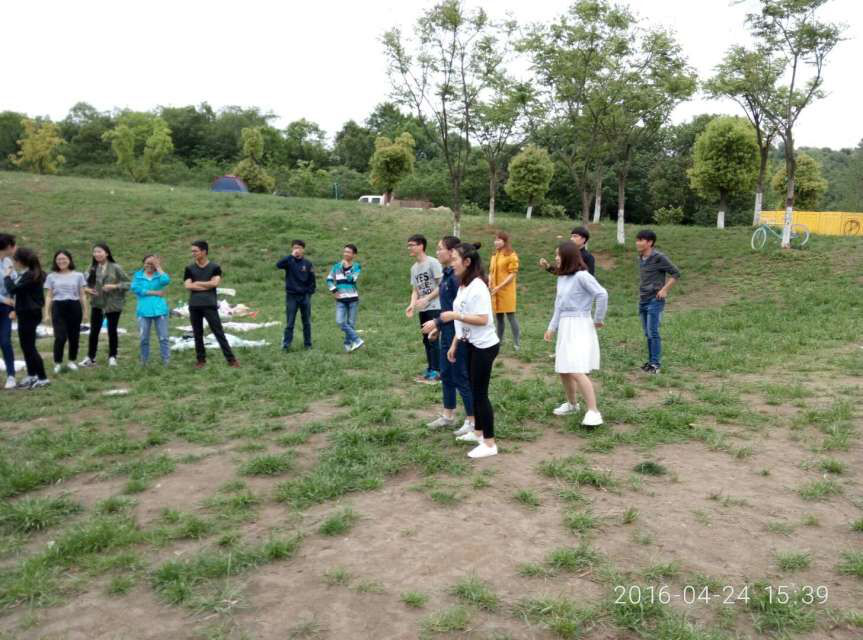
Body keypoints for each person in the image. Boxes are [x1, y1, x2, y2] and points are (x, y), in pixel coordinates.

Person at [438, 243, 499, 459]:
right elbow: (463, 317)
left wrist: (455, 316)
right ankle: (478, 433)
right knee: (474, 390)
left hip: (485, 347)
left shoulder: (478, 286)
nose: (452, 263)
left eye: (455, 259)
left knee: (480, 395)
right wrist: (455, 343)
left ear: (467, 262)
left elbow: (483, 319)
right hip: (470, 343)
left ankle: (490, 444)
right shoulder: (464, 285)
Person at [544, 242, 608, 427]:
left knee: (576, 369)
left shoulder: (582, 276)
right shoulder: (562, 277)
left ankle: (593, 411)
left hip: (579, 325)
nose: (556, 258)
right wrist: (552, 327)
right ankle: (572, 404)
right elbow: (558, 305)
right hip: (566, 326)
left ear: (568, 256)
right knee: (564, 369)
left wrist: (598, 318)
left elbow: (602, 294)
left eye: (558, 255)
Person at [421, 236, 475, 434]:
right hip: (447, 330)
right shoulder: (447, 273)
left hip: (458, 333)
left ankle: (472, 420)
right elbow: (447, 309)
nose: (437, 252)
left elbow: (458, 310)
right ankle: (448, 415)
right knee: (446, 374)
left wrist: (437, 323)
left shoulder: (456, 278)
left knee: (460, 375)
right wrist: (439, 327)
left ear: (452, 252)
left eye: (440, 248)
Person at [184, 240, 239, 368]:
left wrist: (197, 283)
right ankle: (201, 360)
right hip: (194, 305)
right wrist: (206, 285)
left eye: (195, 251)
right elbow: (188, 286)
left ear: (204, 251)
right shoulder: (189, 268)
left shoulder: (215, 267)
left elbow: (215, 283)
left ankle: (231, 360)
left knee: (218, 332)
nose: (193, 253)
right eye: (192, 251)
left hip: (209, 304)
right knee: (197, 334)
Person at [3, 248, 49, 389]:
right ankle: (31, 374)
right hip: (26, 312)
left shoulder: (31, 275)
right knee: (26, 346)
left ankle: (42, 378)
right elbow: (20, 294)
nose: (14, 263)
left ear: (21, 261)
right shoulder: (29, 273)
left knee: (29, 347)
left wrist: (7, 276)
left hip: (29, 313)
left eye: (15, 260)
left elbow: (13, 290)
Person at [635, 229, 680, 374]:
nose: (637, 243)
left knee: (653, 332)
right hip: (643, 299)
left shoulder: (659, 257)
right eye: (637, 240)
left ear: (650, 242)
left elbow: (676, 273)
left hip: (655, 300)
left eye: (641, 240)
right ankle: (651, 362)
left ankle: (656, 364)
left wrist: (665, 289)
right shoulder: (641, 257)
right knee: (647, 333)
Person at [80, 243, 129, 367]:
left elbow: (128, 284)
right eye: (95, 252)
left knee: (112, 331)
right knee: (94, 331)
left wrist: (114, 286)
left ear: (106, 253)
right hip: (97, 303)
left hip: (113, 304)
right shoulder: (91, 268)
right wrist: (87, 289)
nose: (97, 254)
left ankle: (112, 357)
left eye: (99, 251)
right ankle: (90, 357)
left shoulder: (115, 267)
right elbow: (83, 284)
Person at [405, 234, 442, 384]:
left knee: (433, 338)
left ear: (421, 246)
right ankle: (431, 368)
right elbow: (415, 290)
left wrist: (427, 298)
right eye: (408, 245)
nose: (409, 248)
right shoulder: (414, 268)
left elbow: (442, 285)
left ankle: (438, 372)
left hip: (436, 306)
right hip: (423, 309)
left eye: (412, 245)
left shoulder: (433, 263)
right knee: (426, 340)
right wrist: (412, 304)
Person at [44, 250, 87, 374]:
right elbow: (49, 296)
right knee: (60, 337)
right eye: (58, 259)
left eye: (64, 259)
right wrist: (46, 313)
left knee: (74, 336)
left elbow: (82, 295)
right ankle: (57, 362)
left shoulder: (78, 275)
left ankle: (72, 361)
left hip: (74, 306)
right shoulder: (51, 276)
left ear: (69, 260)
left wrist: (85, 312)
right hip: (58, 307)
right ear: (55, 261)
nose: (61, 261)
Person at [131, 254, 171, 365]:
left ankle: (166, 360)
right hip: (143, 311)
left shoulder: (159, 275)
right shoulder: (138, 275)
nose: (149, 265)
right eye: (147, 263)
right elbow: (136, 289)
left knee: (163, 337)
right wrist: (155, 292)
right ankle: (144, 360)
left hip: (160, 310)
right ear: (143, 264)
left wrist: (158, 267)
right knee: (144, 338)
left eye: (152, 264)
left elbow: (166, 281)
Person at [276, 240, 316, 351]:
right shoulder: (289, 261)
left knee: (306, 322)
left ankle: (308, 344)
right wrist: (290, 256)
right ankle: (286, 345)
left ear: (303, 249)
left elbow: (312, 280)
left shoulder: (308, 263)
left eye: (298, 248)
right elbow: (278, 265)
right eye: (294, 248)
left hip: (305, 296)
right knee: (290, 322)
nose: (296, 250)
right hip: (291, 296)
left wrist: (309, 293)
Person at [326, 244, 363, 352]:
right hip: (340, 299)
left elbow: (351, 279)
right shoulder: (336, 266)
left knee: (351, 323)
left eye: (348, 252)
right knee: (339, 321)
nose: (345, 254)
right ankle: (357, 340)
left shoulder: (357, 266)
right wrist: (334, 290)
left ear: (354, 255)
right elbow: (329, 279)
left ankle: (348, 345)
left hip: (353, 299)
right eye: (345, 251)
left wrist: (344, 268)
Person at [489, 231, 521, 351]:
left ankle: (517, 342)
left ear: (505, 241)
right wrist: (490, 281)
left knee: (511, 316)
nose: (496, 242)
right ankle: (499, 341)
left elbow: (513, 273)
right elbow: (491, 271)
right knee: (499, 317)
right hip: (495, 290)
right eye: (495, 239)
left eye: (499, 240)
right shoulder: (494, 255)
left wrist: (500, 286)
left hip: (506, 291)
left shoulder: (511, 255)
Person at [0, 234, 17, 389]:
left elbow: (13, 284)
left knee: (5, 341)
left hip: (6, 309)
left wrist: (13, 307)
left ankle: (11, 375)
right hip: (3, 302)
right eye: (13, 245)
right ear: (7, 247)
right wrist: (3, 299)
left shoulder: (8, 262)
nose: (15, 248)